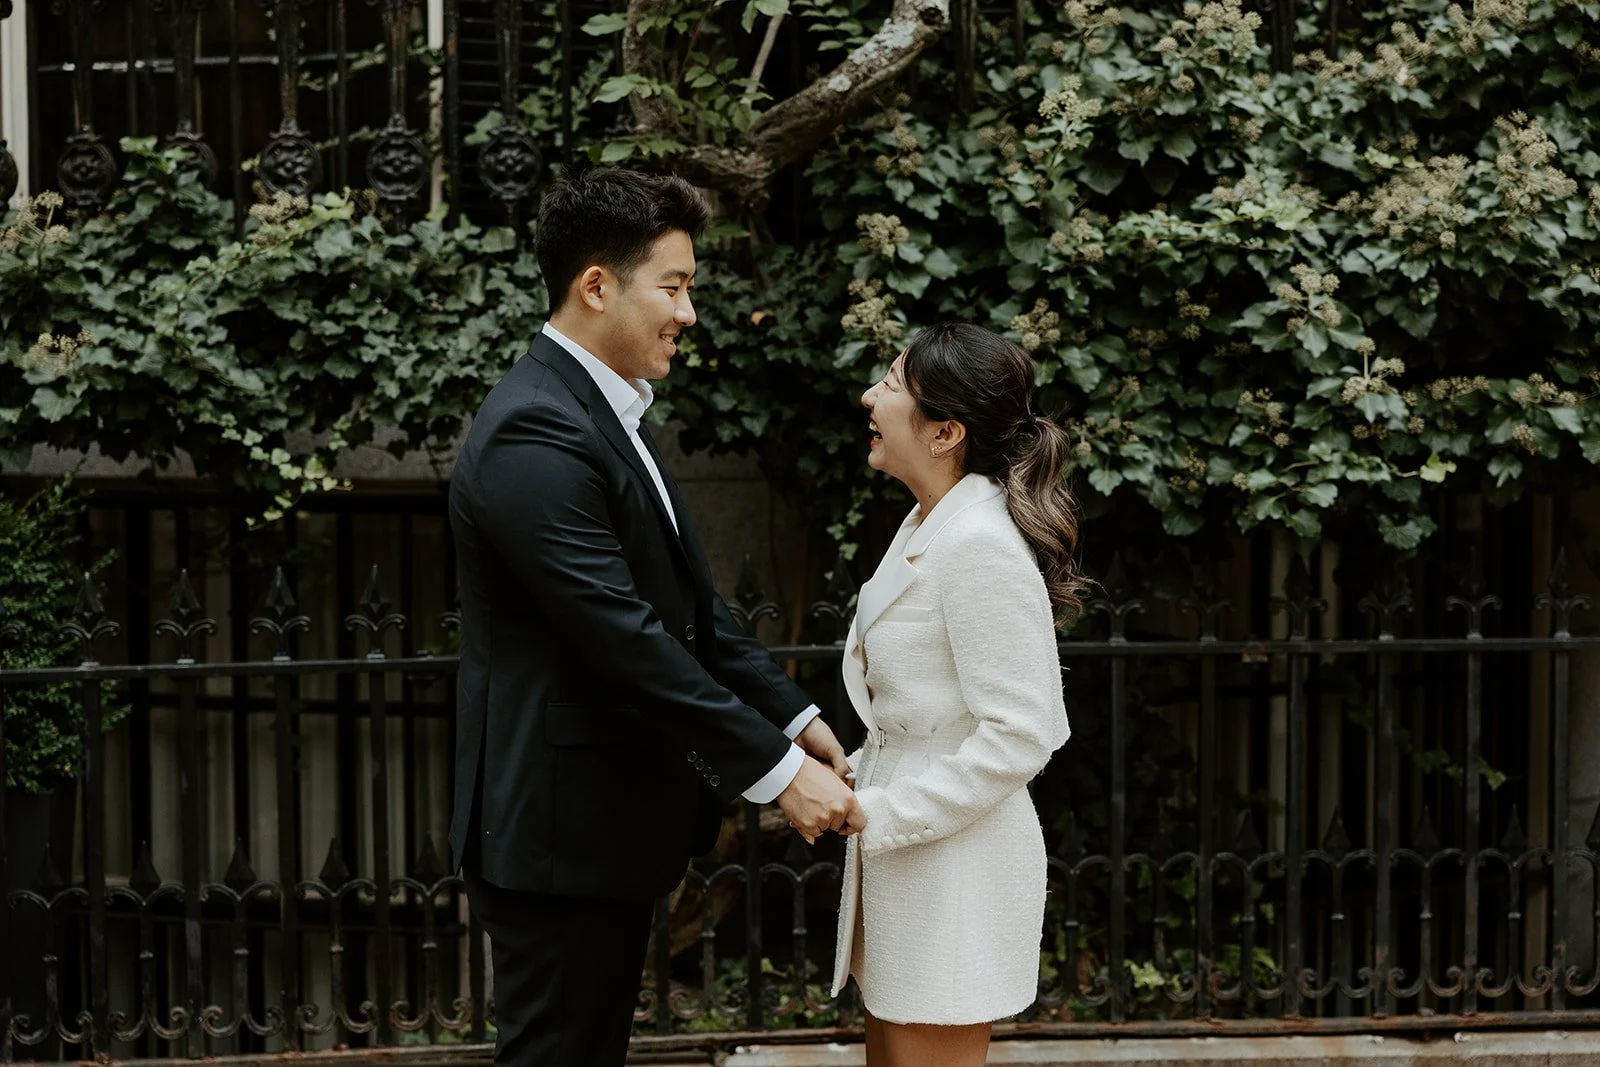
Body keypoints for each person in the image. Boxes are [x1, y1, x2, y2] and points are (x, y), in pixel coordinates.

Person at [447, 166, 865, 1067]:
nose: (688, 312)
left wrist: (797, 719)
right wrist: (776, 771)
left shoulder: (604, 411)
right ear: (597, 285)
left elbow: (689, 612)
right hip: (556, 840)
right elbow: (622, 638)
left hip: (600, 833)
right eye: (673, 287)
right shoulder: (534, 428)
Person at [830, 322, 1081, 1066]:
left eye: (892, 385)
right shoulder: (928, 522)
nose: (870, 396)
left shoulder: (978, 542)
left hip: (953, 871)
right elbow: (918, 712)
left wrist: (880, 813)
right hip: (912, 864)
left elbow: (1022, 733)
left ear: (945, 432)